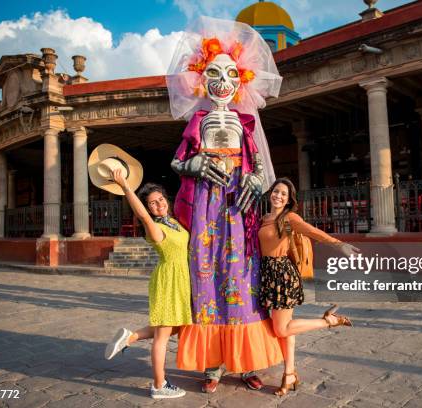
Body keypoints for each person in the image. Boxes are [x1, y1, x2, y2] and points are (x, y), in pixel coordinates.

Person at [165, 16, 283, 393]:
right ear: (202, 76)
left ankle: (245, 360)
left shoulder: (244, 123)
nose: (223, 81)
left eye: (232, 74)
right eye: (215, 73)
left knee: (240, 277)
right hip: (204, 205)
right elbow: (177, 161)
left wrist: (253, 178)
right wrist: (194, 164)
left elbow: (260, 166)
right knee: (206, 277)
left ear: (241, 80)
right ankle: (213, 364)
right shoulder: (197, 122)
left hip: (238, 207)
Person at [258, 177, 353, 396]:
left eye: (283, 194)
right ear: (270, 193)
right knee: (286, 328)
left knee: (281, 328)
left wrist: (339, 245)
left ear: (289, 199)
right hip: (266, 275)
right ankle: (289, 373)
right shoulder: (264, 218)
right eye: (276, 191)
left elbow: (312, 231)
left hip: (282, 275)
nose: (278, 196)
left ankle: (328, 321)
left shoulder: (289, 217)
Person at [104, 173, 192, 399]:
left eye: (161, 199)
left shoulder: (173, 222)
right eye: (153, 203)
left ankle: (130, 337)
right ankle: (159, 384)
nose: (159, 204)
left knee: (175, 327)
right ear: (148, 208)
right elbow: (142, 215)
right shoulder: (155, 228)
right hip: (168, 280)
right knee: (163, 335)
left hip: (181, 279)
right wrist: (125, 186)